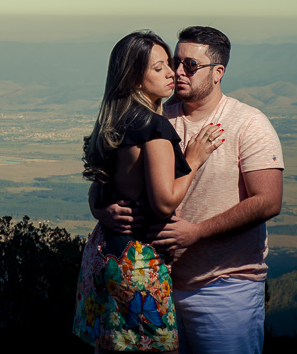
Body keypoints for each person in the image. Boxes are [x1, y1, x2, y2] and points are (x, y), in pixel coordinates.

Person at [92, 26, 284, 354]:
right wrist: (100, 208)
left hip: (223, 287)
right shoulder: (155, 117)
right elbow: (106, 178)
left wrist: (197, 233)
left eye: (190, 65)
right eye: (174, 62)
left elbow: (268, 201)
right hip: (154, 283)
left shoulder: (249, 124)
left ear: (217, 73)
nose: (177, 71)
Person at [73, 31, 224, 352]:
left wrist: (98, 207)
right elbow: (163, 202)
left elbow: (101, 186)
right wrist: (194, 159)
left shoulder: (115, 122)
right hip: (137, 263)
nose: (172, 72)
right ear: (134, 79)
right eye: (158, 68)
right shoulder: (153, 128)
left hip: (102, 255)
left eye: (168, 64)